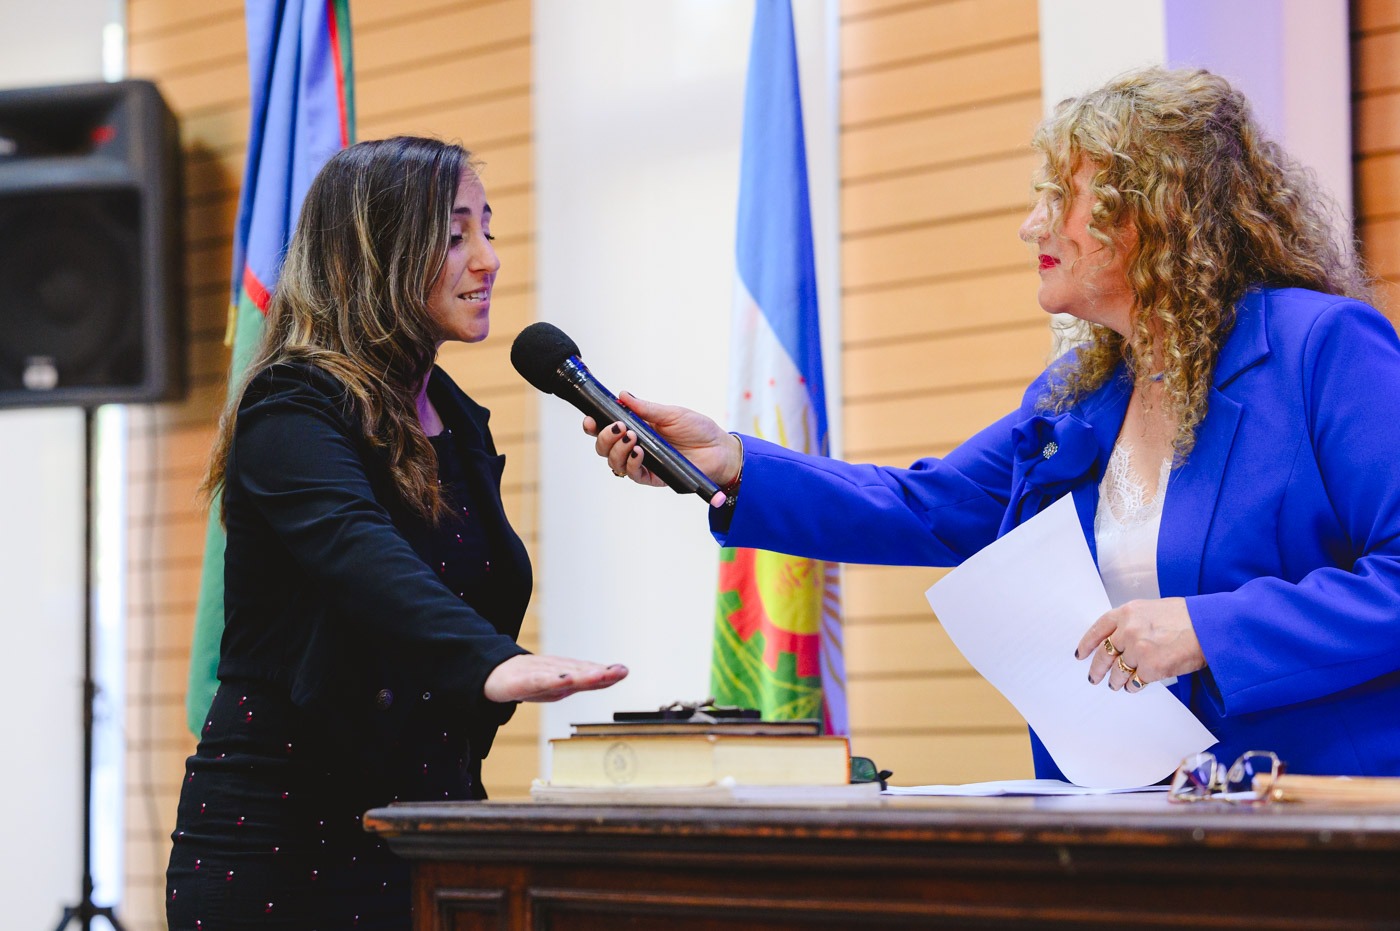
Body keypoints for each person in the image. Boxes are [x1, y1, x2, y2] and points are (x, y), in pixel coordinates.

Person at [589, 67, 1400, 780]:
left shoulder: (1322, 349)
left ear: (1150, 213)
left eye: (1060, 198)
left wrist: (1208, 628)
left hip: (1315, 813)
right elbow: (924, 505)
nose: (1031, 225)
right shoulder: (1078, 396)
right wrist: (731, 462)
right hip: (1134, 822)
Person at [166, 136, 627, 930]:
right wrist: (492, 661)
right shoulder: (291, 406)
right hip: (281, 843)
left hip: (425, 827)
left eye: (488, 229)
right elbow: (361, 555)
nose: (487, 259)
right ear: (373, 251)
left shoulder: (458, 420)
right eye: (455, 236)